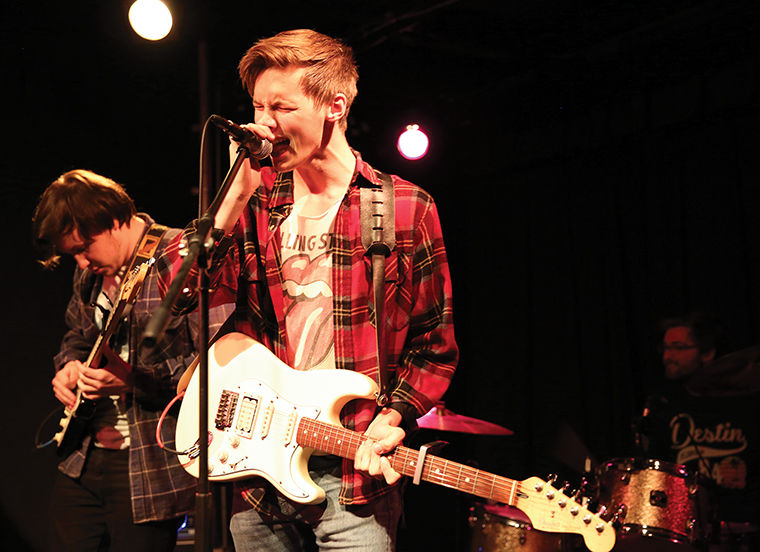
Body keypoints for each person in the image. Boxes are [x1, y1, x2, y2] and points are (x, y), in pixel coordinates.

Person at [159, 29, 458, 551]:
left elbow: (435, 344)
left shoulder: (407, 207)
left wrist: (393, 417)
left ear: (334, 107)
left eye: (281, 106)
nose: (265, 123)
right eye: (257, 106)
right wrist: (230, 203)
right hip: (256, 473)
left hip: (352, 477)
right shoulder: (252, 201)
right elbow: (179, 293)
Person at [33, 169, 230, 552]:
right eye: (73, 253)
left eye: (84, 247)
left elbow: (217, 360)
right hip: (84, 458)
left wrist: (136, 381)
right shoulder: (93, 273)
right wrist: (68, 367)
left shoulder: (181, 258)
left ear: (114, 221)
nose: (82, 263)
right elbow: (76, 335)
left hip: (149, 467)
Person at [634, 312, 760, 551]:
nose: (667, 356)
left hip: (743, 528)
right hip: (685, 531)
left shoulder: (746, 404)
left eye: (679, 348)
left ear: (707, 353)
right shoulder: (665, 407)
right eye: (665, 348)